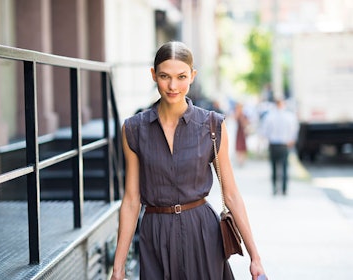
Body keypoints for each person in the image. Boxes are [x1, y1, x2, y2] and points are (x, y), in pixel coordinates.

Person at [110, 41, 266, 280]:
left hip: (202, 232)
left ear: (192, 76)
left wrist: (255, 257)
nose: (173, 86)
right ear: (153, 75)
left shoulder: (212, 125)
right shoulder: (133, 129)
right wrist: (118, 267)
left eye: (181, 76)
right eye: (164, 76)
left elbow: (232, 193)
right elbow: (131, 200)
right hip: (155, 234)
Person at [260, 98, 299, 195]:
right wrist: (291, 140)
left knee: (274, 167)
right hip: (284, 144)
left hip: (273, 144)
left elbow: (264, 131)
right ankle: (284, 189)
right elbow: (294, 129)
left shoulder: (269, 116)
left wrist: (268, 139)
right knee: (285, 167)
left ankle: (274, 189)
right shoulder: (289, 116)